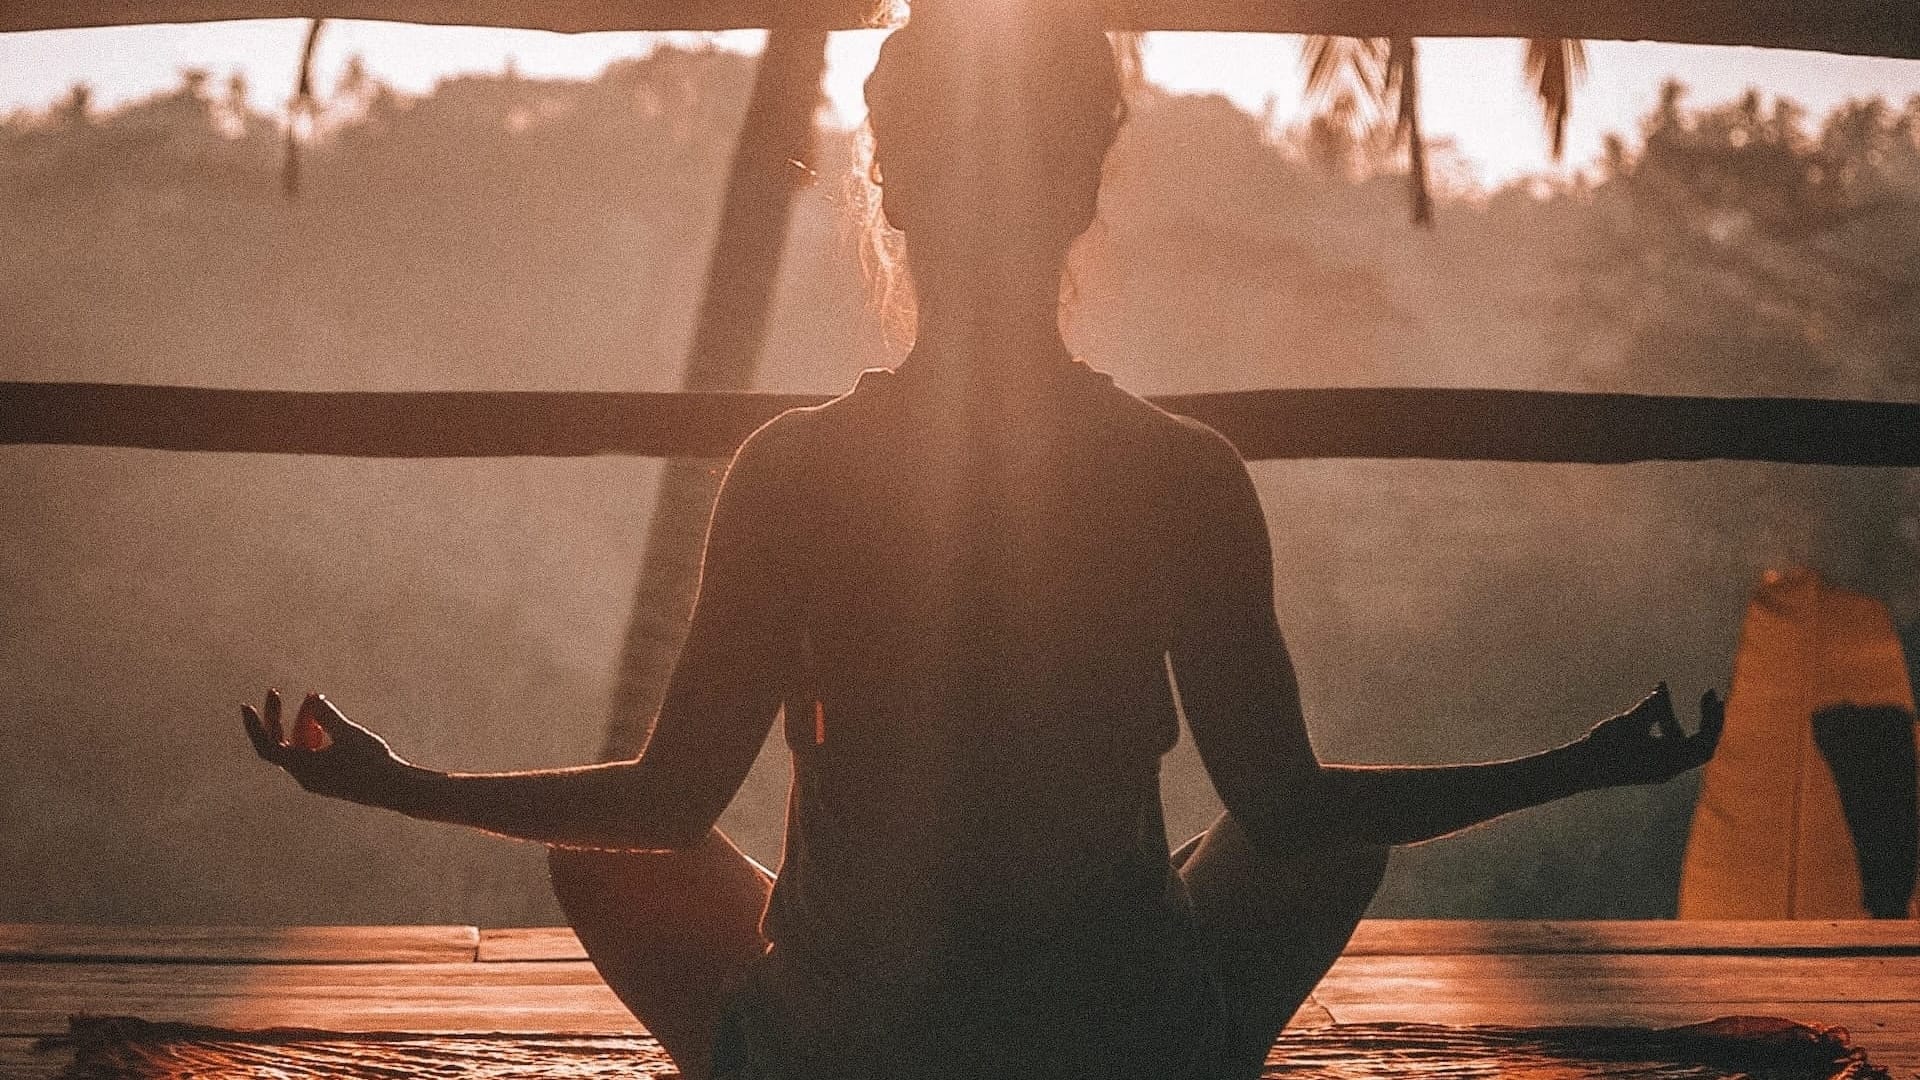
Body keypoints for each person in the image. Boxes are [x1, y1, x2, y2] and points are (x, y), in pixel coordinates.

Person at [242, 5, 1725, 1078]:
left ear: (889, 183)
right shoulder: (1179, 474)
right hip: (1117, 1049)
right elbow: (1287, 807)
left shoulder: (794, 471)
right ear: (1083, 190)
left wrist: (395, 782)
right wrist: (1580, 764)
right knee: (1319, 846)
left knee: (604, 861)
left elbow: (664, 796)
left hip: (852, 1055)